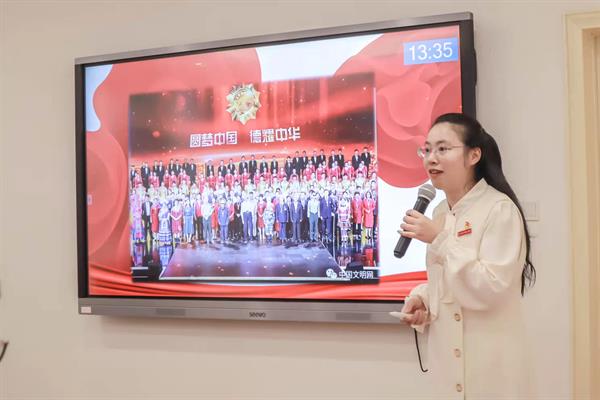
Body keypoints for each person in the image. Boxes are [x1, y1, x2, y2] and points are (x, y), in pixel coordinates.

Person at [397, 113, 536, 399]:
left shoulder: (499, 209)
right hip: (447, 369)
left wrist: (439, 239)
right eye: (427, 150)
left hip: (491, 368)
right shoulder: (440, 212)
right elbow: (449, 282)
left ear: (474, 155)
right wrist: (424, 300)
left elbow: (491, 286)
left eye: (443, 149)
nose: (431, 158)